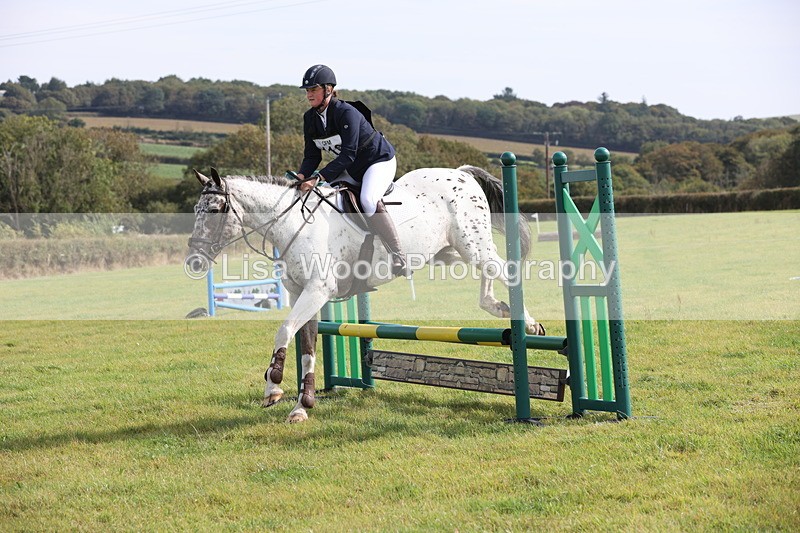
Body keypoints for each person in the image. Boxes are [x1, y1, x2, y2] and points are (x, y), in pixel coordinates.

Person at [295, 64, 407, 277]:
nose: (309, 94)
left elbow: (348, 154)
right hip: (351, 168)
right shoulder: (310, 119)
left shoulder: (346, 113)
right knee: (326, 197)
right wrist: (301, 176)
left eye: (314, 89)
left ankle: (398, 255)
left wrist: (318, 177)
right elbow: (312, 156)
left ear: (328, 89)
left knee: (368, 199)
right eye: (307, 91)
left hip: (377, 161)